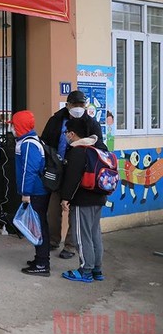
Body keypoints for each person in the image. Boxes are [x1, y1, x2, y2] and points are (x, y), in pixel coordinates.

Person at [41, 89, 106, 259]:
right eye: (75, 104)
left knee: (74, 211)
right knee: (53, 210)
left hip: (80, 175)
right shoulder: (56, 120)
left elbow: (100, 148)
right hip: (57, 170)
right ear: (68, 105)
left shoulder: (91, 123)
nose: (78, 107)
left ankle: (70, 246)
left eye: (81, 105)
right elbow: (45, 142)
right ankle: (53, 240)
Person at [59, 116, 107, 283]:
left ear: (72, 134)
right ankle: (97, 269)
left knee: (82, 236)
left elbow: (72, 178)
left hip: (83, 200)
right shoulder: (98, 147)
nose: (66, 136)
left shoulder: (79, 151)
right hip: (99, 197)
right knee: (95, 234)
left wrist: (65, 198)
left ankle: (85, 270)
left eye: (66, 133)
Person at [12, 110, 51, 276]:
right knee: (39, 225)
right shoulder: (29, 140)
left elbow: (30, 170)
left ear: (19, 126)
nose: (12, 128)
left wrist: (26, 193)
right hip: (37, 191)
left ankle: (42, 263)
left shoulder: (28, 144)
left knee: (39, 226)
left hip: (35, 191)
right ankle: (40, 258)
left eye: (13, 125)